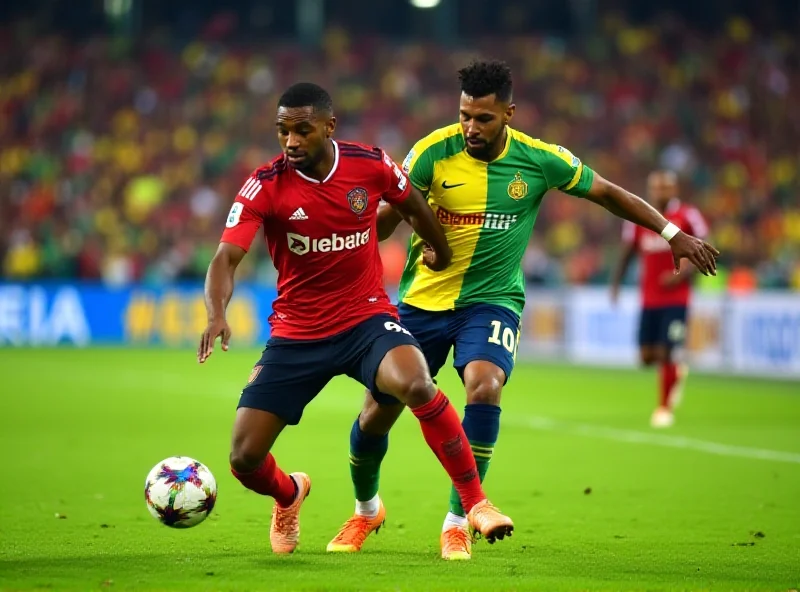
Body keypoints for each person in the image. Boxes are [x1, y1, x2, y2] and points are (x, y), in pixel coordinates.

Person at [326, 61, 719, 560]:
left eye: (484, 119)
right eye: (466, 115)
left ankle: (458, 520)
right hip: (421, 302)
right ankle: (366, 510)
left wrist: (672, 234)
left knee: (485, 385)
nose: (471, 127)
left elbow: (608, 194)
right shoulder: (430, 152)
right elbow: (386, 220)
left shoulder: (539, 160)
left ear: (509, 114)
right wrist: (381, 235)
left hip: (491, 302)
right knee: (376, 415)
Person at [197, 82, 514, 556]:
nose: (291, 141)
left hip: (365, 319)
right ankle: (289, 494)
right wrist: (216, 313)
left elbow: (412, 204)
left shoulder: (370, 163)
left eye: (302, 130)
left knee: (418, 383)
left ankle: (476, 503)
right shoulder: (265, 185)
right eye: (283, 131)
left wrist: (440, 248)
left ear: (329, 127)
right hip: (297, 334)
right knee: (243, 458)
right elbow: (225, 258)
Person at [610, 170, 710, 428]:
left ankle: (664, 408)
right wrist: (616, 284)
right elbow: (626, 253)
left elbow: (705, 245)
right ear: (650, 189)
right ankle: (676, 371)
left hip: (677, 298)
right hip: (649, 298)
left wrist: (682, 275)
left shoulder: (687, 215)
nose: (661, 192)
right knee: (646, 357)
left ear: (674, 189)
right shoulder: (638, 217)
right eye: (656, 187)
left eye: (666, 187)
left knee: (667, 352)